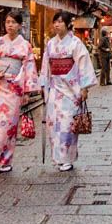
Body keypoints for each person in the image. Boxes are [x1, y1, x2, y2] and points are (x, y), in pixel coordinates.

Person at [0, 8, 37, 175]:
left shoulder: (25, 46)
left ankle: (5, 160)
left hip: (15, 88)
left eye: (13, 22)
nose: (10, 25)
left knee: (9, 126)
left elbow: (29, 67)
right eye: (7, 22)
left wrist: (27, 91)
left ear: (20, 25)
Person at [43, 11, 96, 172]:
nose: (57, 25)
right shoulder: (50, 44)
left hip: (71, 89)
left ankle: (67, 158)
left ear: (67, 24)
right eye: (55, 22)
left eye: (60, 22)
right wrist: (43, 84)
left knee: (67, 125)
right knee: (53, 125)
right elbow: (46, 66)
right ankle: (58, 157)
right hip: (55, 88)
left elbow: (83, 64)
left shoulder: (75, 43)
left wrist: (84, 87)